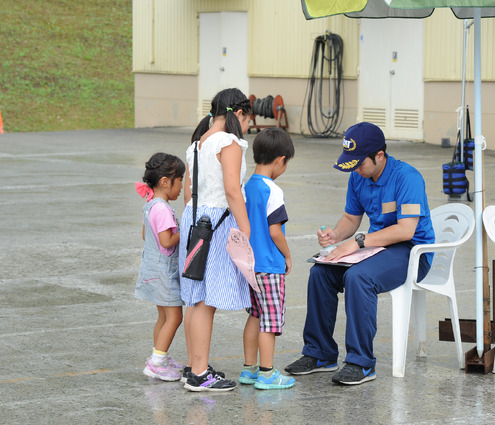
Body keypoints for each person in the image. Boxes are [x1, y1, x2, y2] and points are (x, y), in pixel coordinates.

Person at [285, 122, 435, 385]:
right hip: (377, 247)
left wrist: (358, 242)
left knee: (359, 277)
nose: (355, 168)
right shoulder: (358, 176)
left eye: (359, 162)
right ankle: (320, 353)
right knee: (321, 272)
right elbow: (350, 218)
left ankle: (361, 362)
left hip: (412, 253)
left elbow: (406, 230)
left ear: (379, 155)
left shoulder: (407, 178)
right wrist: (336, 235)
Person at [179, 88, 253, 392]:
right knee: (208, 300)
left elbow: (188, 191)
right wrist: (245, 231)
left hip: (195, 220)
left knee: (195, 297)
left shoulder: (197, 144)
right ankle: (199, 372)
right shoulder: (230, 142)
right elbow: (233, 191)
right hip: (219, 221)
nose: (248, 126)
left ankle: (195, 366)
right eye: (248, 119)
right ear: (238, 113)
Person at [239, 128, 297, 390]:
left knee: (254, 316)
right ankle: (267, 373)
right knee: (269, 322)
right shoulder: (272, 191)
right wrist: (287, 254)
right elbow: (275, 231)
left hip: (249, 265)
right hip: (270, 266)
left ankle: (249, 369)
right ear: (281, 160)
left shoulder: (246, 186)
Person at [135, 152, 186, 382]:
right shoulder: (163, 209)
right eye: (180, 180)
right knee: (175, 317)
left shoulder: (150, 205)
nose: (182, 186)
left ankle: (160, 356)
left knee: (163, 317)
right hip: (165, 272)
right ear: (165, 182)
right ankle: (157, 362)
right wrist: (184, 232)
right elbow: (166, 241)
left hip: (151, 269)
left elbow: (147, 234)